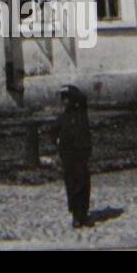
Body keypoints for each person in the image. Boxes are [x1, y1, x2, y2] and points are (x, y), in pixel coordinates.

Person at [55, 84, 92, 228]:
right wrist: (58, 145)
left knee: (83, 182)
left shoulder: (82, 113)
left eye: (67, 98)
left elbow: (83, 98)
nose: (65, 101)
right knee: (71, 184)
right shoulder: (62, 117)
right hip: (68, 154)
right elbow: (53, 133)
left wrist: (70, 90)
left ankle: (84, 213)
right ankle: (76, 215)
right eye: (63, 99)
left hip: (81, 153)